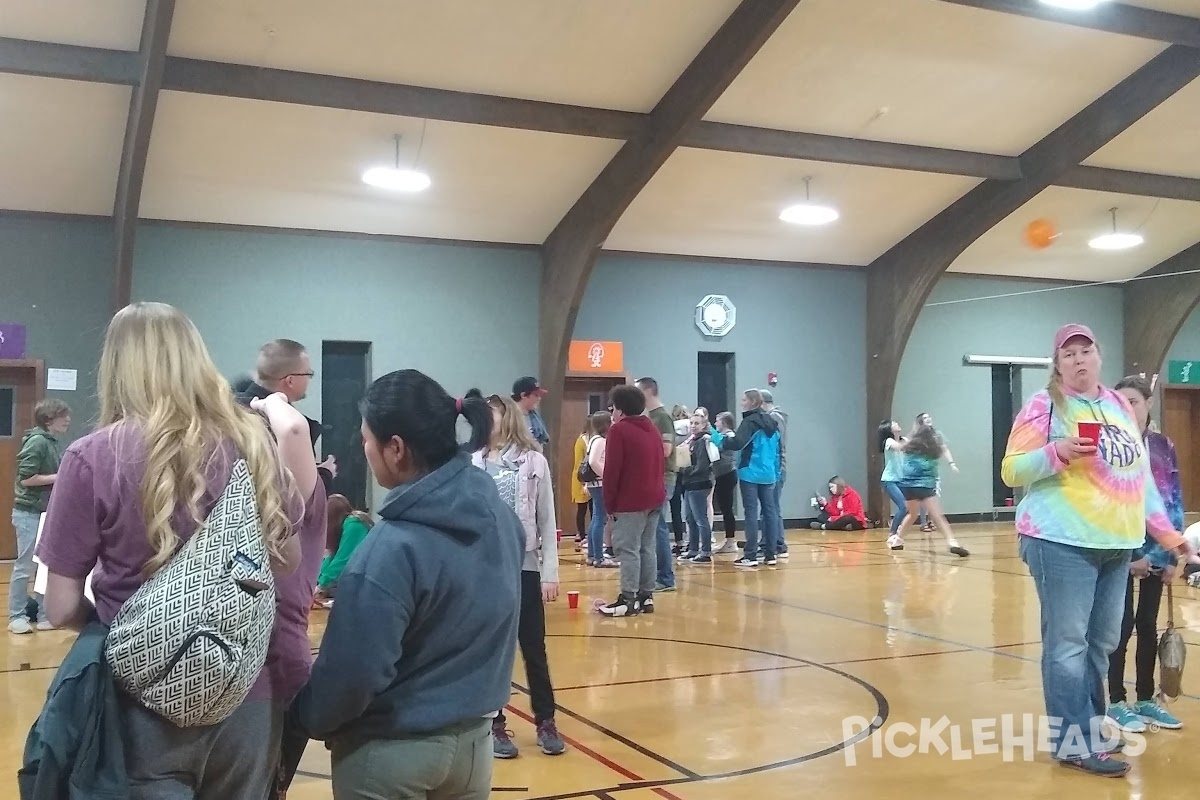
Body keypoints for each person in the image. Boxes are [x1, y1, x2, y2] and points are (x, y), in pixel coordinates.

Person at [36, 302, 323, 799]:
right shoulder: (251, 445)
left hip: (140, 698)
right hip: (245, 688)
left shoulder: (92, 456)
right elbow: (288, 561)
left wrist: (128, 626)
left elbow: (59, 606)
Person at [291, 370, 524, 799]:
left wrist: (305, 716)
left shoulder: (389, 550)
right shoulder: (503, 521)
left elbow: (353, 675)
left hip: (391, 755)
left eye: (366, 440)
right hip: (474, 748)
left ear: (395, 448)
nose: (364, 450)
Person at [1002, 324, 1192, 777]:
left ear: (1099, 356)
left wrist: (1169, 537)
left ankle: (1090, 728)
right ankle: (1075, 742)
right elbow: (1011, 470)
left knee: (1102, 644)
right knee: (1067, 645)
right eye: (1068, 355)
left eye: (1085, 351)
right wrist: (1057, 451)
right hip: (1060, 539)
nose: (1078, 360)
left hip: (1117, 543)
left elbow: (1141, 480)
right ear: (1058, 364)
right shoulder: (1044, 405)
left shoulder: (1118, 407)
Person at [472, 393, 566, 758]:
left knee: (534, 647)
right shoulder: (473, 463)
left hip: (524, 566)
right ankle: (494, 723)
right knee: (494, 649)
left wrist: (550, 573)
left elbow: (547, 519)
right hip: (485, 570)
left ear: (506, 417)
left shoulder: (534, 463)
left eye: (490, 415)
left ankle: (545, 720)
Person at [1105, 375, 1185, 733]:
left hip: (1157, 552)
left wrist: (1170, 555)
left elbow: (1172, 500)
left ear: (1148, 403)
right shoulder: (1108, 447)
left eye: (1133, 402)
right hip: (1119, 552)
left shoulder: (1163, 446)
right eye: (1118, 403)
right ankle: (1116, 701)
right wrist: (1129, 555)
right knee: (1118, 628)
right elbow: (1106, 504)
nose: (1126, 409)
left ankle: (1145, 699)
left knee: (1148, 627)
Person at [599, 384, 667, 617]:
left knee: (627, 549)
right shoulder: (652, 428)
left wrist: (609, 504)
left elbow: (612, 471)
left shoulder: (619, 431)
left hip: (631, 501)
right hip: (655, 498)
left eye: (613, 407)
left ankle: (627, 598)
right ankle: (645, 596)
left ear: (620, 409)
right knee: (647, 548)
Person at [238, 339, 337, 492]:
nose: (309, 379)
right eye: (308, 374)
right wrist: (325, 475)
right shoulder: (287, 425)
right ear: (290, 381)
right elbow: (294, 495)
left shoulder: (230, 409)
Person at [9, 399, 70, 634]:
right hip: (28, 514)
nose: (67, 420)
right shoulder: (37, 442)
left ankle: (44, 614)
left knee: (44, 566)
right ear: (48, 420)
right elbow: (26, 479)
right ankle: (16, 616)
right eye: (62, 416)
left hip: (44, 513)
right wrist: (60, 476)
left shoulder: (51, 442)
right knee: (24, 567)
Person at [888, 413, 968, 557]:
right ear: (920, 422)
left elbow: (902, 448)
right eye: (925, 418)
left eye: (929, 417)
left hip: (907, 484)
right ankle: (952, 542)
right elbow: (901, 448)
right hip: (923, 483)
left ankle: (898, 540)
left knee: (912, 514)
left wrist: (952, 463)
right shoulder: (927, 438)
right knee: (937, 515)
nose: (928, 419)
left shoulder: (918, 438)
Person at [719, 389, 782, 569]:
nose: (742, 402)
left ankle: (751, 554)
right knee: (769, 513)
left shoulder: (749, 422)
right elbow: (778, 450)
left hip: (750, 472)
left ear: (753, 402)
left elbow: (737, 443)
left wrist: (719, 440)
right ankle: (771, 554)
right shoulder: (773, 422)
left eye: (744, 400)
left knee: (751, 513)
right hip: (769, 473)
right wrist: (776, 472)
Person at [635, 377, 676, 591]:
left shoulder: (661, 418)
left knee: (658, 528)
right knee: (652, 528)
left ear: (649, 391)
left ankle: (666, 577)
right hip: (653, 477)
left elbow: (666, 449)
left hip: (663, 477)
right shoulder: (650, 417)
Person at [678, 413, 719, 563]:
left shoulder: (703, 441)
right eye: (692, 423)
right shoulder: (692, 440)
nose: (693, 426)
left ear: (703, 425)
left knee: (700, 518)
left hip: (699, 482)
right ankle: (693, 549)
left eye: (697, 423)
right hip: (690, 483)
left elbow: (702, 465)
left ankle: (706, 551)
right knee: (690, 517)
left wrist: (685, 470)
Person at [315, 494, 373, 599]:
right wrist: (318, 581)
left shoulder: (354, 524)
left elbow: (342, 559)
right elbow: (332, 557)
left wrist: (321, 585)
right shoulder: (346, 526)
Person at [760, 390, 789, 556]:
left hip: (776, 468)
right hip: (774, 467)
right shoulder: (775, 417)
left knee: (772, 507)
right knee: (769, 507)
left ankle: (777, 543)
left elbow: (777, 445)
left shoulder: (775, 418)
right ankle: (769, 540)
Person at [710, 412, 739, 554]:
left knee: (727, 508)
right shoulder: (725, 436)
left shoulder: (730, 437)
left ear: (725, 423)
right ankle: (729, 540)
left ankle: (730, 541)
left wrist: (709, 429)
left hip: (727, 475)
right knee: (725, 507)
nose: (716, 423)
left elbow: (719, 445)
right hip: (722, 475)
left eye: (717, 421)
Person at [570, 421, 592, 544]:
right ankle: (582, 535)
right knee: (582, 508)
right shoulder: (581, 440)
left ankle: (588, 537)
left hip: (590, 479)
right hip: (581, 478)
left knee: (592, 509)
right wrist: (583, 482)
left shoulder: (592, 439)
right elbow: (579, 463)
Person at [512, 376, 549, 449]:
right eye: (536, 395)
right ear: (523, 395)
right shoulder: (508, 417)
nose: (539, 399)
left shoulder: (534, 417)